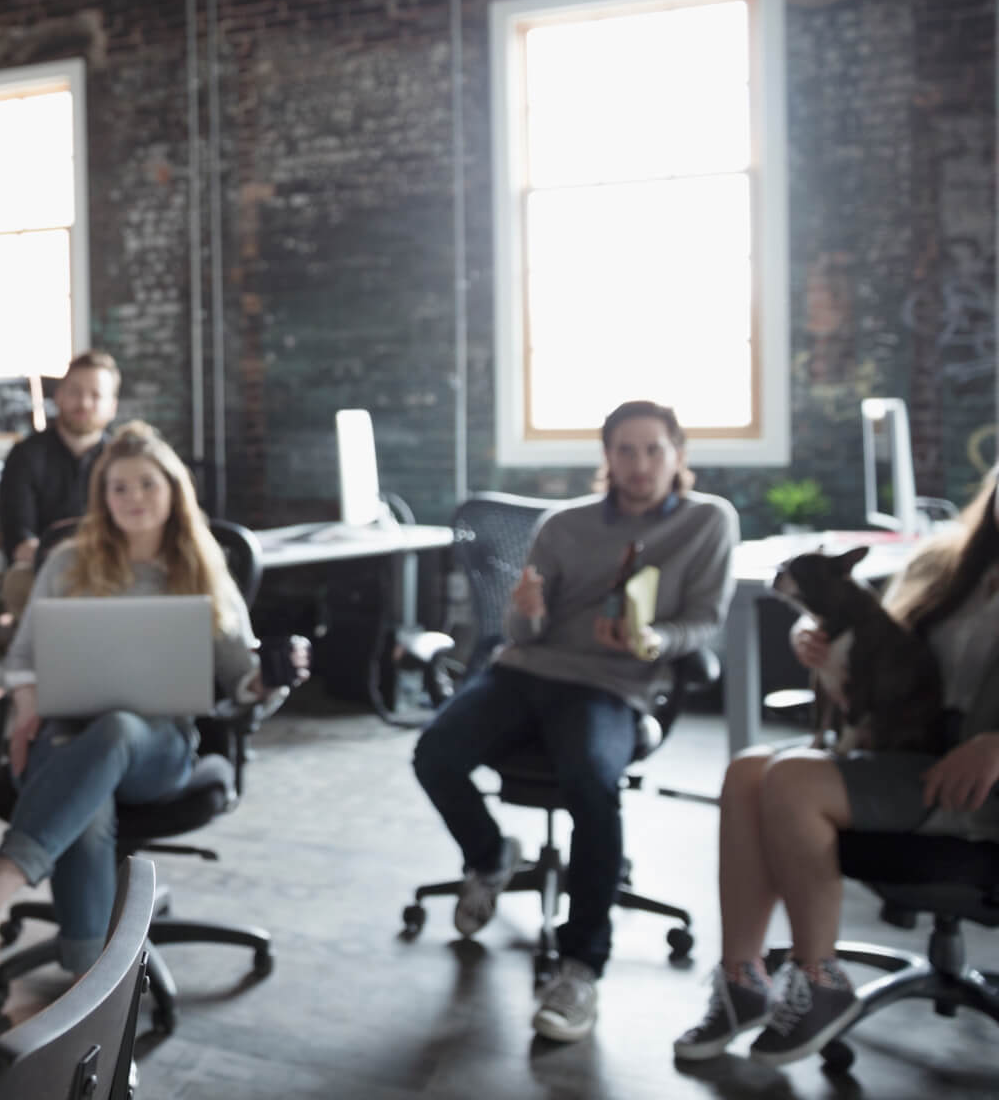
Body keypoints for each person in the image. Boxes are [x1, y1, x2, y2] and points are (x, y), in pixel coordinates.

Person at [0, 420, 303, 981]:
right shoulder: (68, 564)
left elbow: (240, 679)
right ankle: (93, 993)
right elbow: (22, 659)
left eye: (147, 484)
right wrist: (26, 713)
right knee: (89, 807)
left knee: (122, 728)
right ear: (102, 497)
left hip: (160, 749)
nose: (133, 498)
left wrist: (271, 680)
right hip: (66, 736)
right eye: (119, 487)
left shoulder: (199, 569)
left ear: (172, 490)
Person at [412, 400, 738, 1044]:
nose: (640, 465)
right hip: (527, 668)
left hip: (613, 683)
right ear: (606, 458)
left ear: (678, 455)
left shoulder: (708, 522)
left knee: (591, 780)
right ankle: (489, 855)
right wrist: (525, 610)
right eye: (625, 451)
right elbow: (521, 631)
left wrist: (654, 641)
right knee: (435, 754)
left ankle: (582, 963)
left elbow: (705, 620)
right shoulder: (565, 524)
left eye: (653, 450)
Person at [673, 469, 999, 1067]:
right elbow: (869, 629)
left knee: (793, 779)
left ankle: (820, 980)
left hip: (977, 785)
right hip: (908, 748)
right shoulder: (948, 564)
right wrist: (812, 636)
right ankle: (742, 981)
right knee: (748, 770)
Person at [0, 350, 121, 624]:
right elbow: (20, 541)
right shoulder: (25, 456)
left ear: (112, 406)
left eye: (96, 395)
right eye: (75, 392)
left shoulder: (122, 460)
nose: (84, 402)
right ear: (59, 396)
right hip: (46, 568)